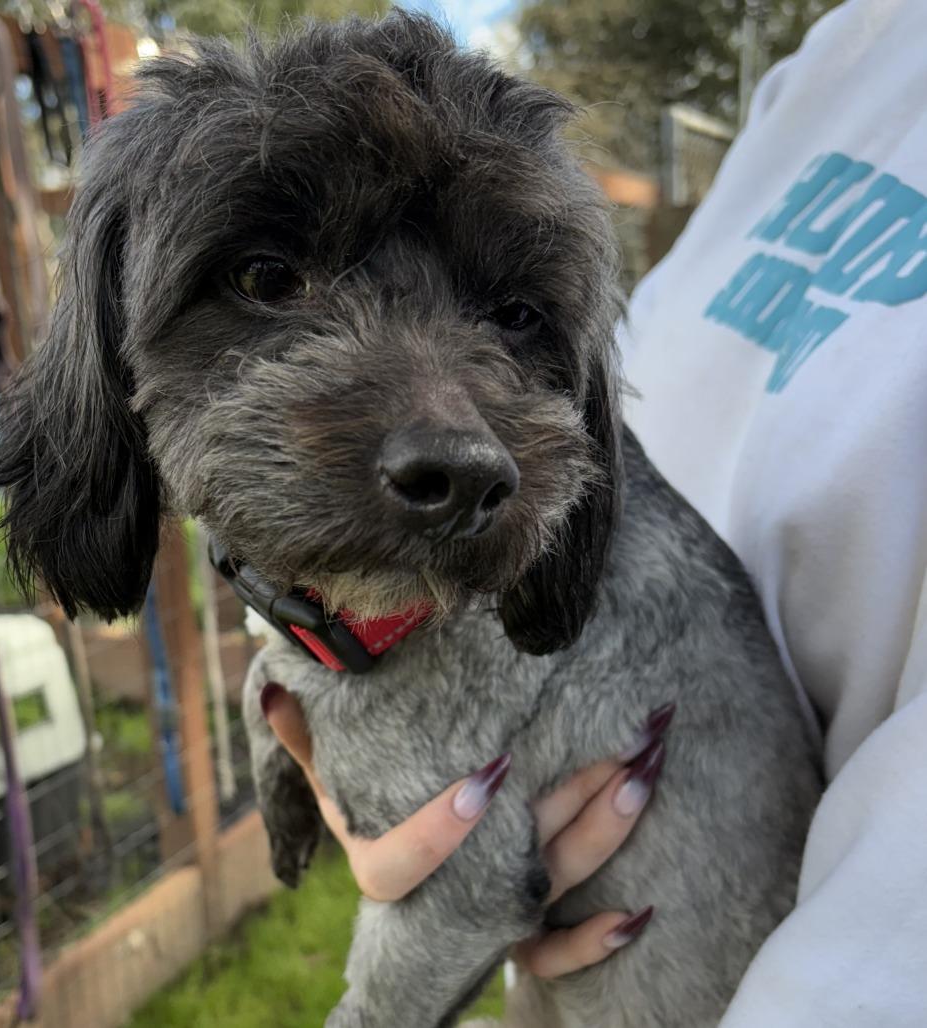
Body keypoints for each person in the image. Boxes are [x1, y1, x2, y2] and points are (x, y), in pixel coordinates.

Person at [263, 0, 927, 1021]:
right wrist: (333, 674)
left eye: (510, 315)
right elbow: (596, 413)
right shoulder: (838, 57)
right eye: (276, 283)